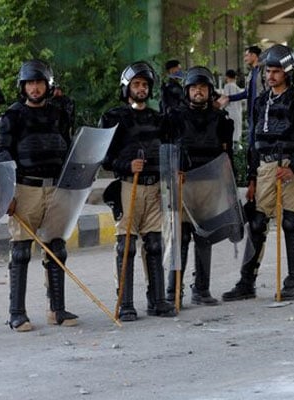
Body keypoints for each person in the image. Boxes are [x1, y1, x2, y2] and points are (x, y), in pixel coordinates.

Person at [222, 44, 294, 301]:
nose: (270, 76)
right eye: (268, 71)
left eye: (276, 71)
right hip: (265, 168)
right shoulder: (260, 101)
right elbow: (254, 141)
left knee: (290, 222)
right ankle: (246, 282)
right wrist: (252, 179)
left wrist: (293, 166)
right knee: (256, 221)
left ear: (287, 72)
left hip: (290, 168)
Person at [0, 59, 76, 332]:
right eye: (30, 83)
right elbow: (3, 155)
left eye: (39, 82)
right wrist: (8, 193)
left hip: (56, 187)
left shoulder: (58, 114)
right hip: (26, 189)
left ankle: (57, 309)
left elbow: (67, 146)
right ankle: (16, 313)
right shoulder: (12, 116)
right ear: (23, 86)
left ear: (47, 85)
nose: (35, 87)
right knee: (20, 251)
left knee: (57, 248)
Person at [99, 61, 176, 321]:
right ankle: (126, 303)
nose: (141, 89)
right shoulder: (113, 118)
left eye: (144, 85)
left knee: (154, 243)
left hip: (154, 187)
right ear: (127, 87)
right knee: (127, 246)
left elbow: (169, 149)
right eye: (136, 84)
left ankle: (157, 301)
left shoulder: (158, 119)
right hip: (127, 187)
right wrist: (126, 165)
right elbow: (105, 158)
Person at [165, 66, 234, 306]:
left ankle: (202, 289)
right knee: (180, 238)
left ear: (209, 91)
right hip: (184, 184)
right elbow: (166, 150)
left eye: (202, 88)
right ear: (187, 91)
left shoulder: (220, 119)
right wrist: (171, 175)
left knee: (205, 237)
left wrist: (229, 185)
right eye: (194, 88)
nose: (198, 92)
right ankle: (173, 291)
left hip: (211, 184)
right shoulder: (174, 117)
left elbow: (228, 154)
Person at [218, 45, 264, 147]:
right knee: (252, 143)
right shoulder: (252, 73)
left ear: (253, 55)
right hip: (252, 113)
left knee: (260, 142)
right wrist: (229, 98)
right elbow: (246, 93)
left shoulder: (264, 71)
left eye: (247, 55)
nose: (245, 58)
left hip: (262, 112)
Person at [220, 69, 244, 146]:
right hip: (238, 113)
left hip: (230, 114)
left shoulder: (227, 86)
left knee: (230, 135)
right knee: (237, 134)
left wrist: (219, 108)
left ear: (227, 77)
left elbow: (226, 100)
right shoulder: (238, 88)